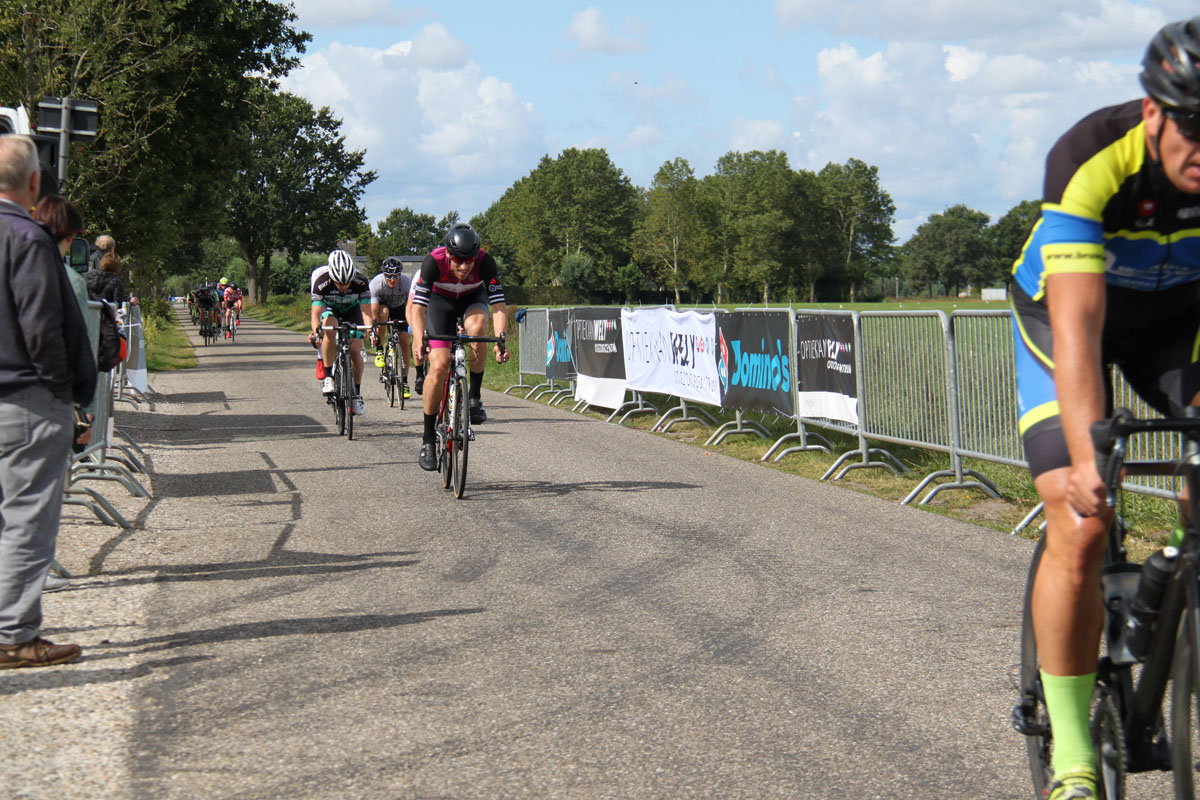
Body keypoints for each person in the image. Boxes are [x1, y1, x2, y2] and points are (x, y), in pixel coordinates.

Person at [1011, 16, 1200, 799]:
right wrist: (1090, 459)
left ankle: (1174, 579)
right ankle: (1075, 757)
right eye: (1195, 127)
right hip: (1067, 321)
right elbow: (1080, 332)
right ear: (1153, 112)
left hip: (1177, 325)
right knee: (1082, 521)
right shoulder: (1090, 156)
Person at [0, 134, 97, 667]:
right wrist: (66, 392)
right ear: (34, 184)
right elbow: (42, 327)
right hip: (24, 398)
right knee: (27, 521)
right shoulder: (26, 238)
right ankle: (15, 634)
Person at [409, 222, 508, 471]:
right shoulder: (433, 261)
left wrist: (501, 340)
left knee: (476, 330)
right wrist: (419, 339)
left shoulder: (486, 262)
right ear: (449, 255)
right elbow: (419, 309)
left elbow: (498, 306)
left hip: (472, 299)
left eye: (469, 261)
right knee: (440, 365)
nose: (464, 266)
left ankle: (474, 397)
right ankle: (428, 439)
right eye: (459, 261)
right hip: (439, 303)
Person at [309, 249, 372, 416]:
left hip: (353, 312)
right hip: (331, 310)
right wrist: (317, 332)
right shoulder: (321, 283)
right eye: (339, 284)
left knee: (356, 349)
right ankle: (329, 376)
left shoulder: (361, 282)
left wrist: (370, 330)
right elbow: (315, 313)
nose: (344, 287)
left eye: (347, 283)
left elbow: (366, 312)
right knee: (328, 326)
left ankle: (356, 394)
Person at [368, 256, 413, 398]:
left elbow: (412, 305)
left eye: (395, 276)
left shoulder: (407, 283)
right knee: (383, 313)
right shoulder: (376, 284)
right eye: (389, 276)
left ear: (400, 275)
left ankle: (404, 382)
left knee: (405, 342)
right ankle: (380, 349)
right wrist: (373, 329)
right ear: (384, 275)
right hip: (382, 307)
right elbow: (373, 310)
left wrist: (412, 323)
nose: (392, 280)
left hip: (400, 308)